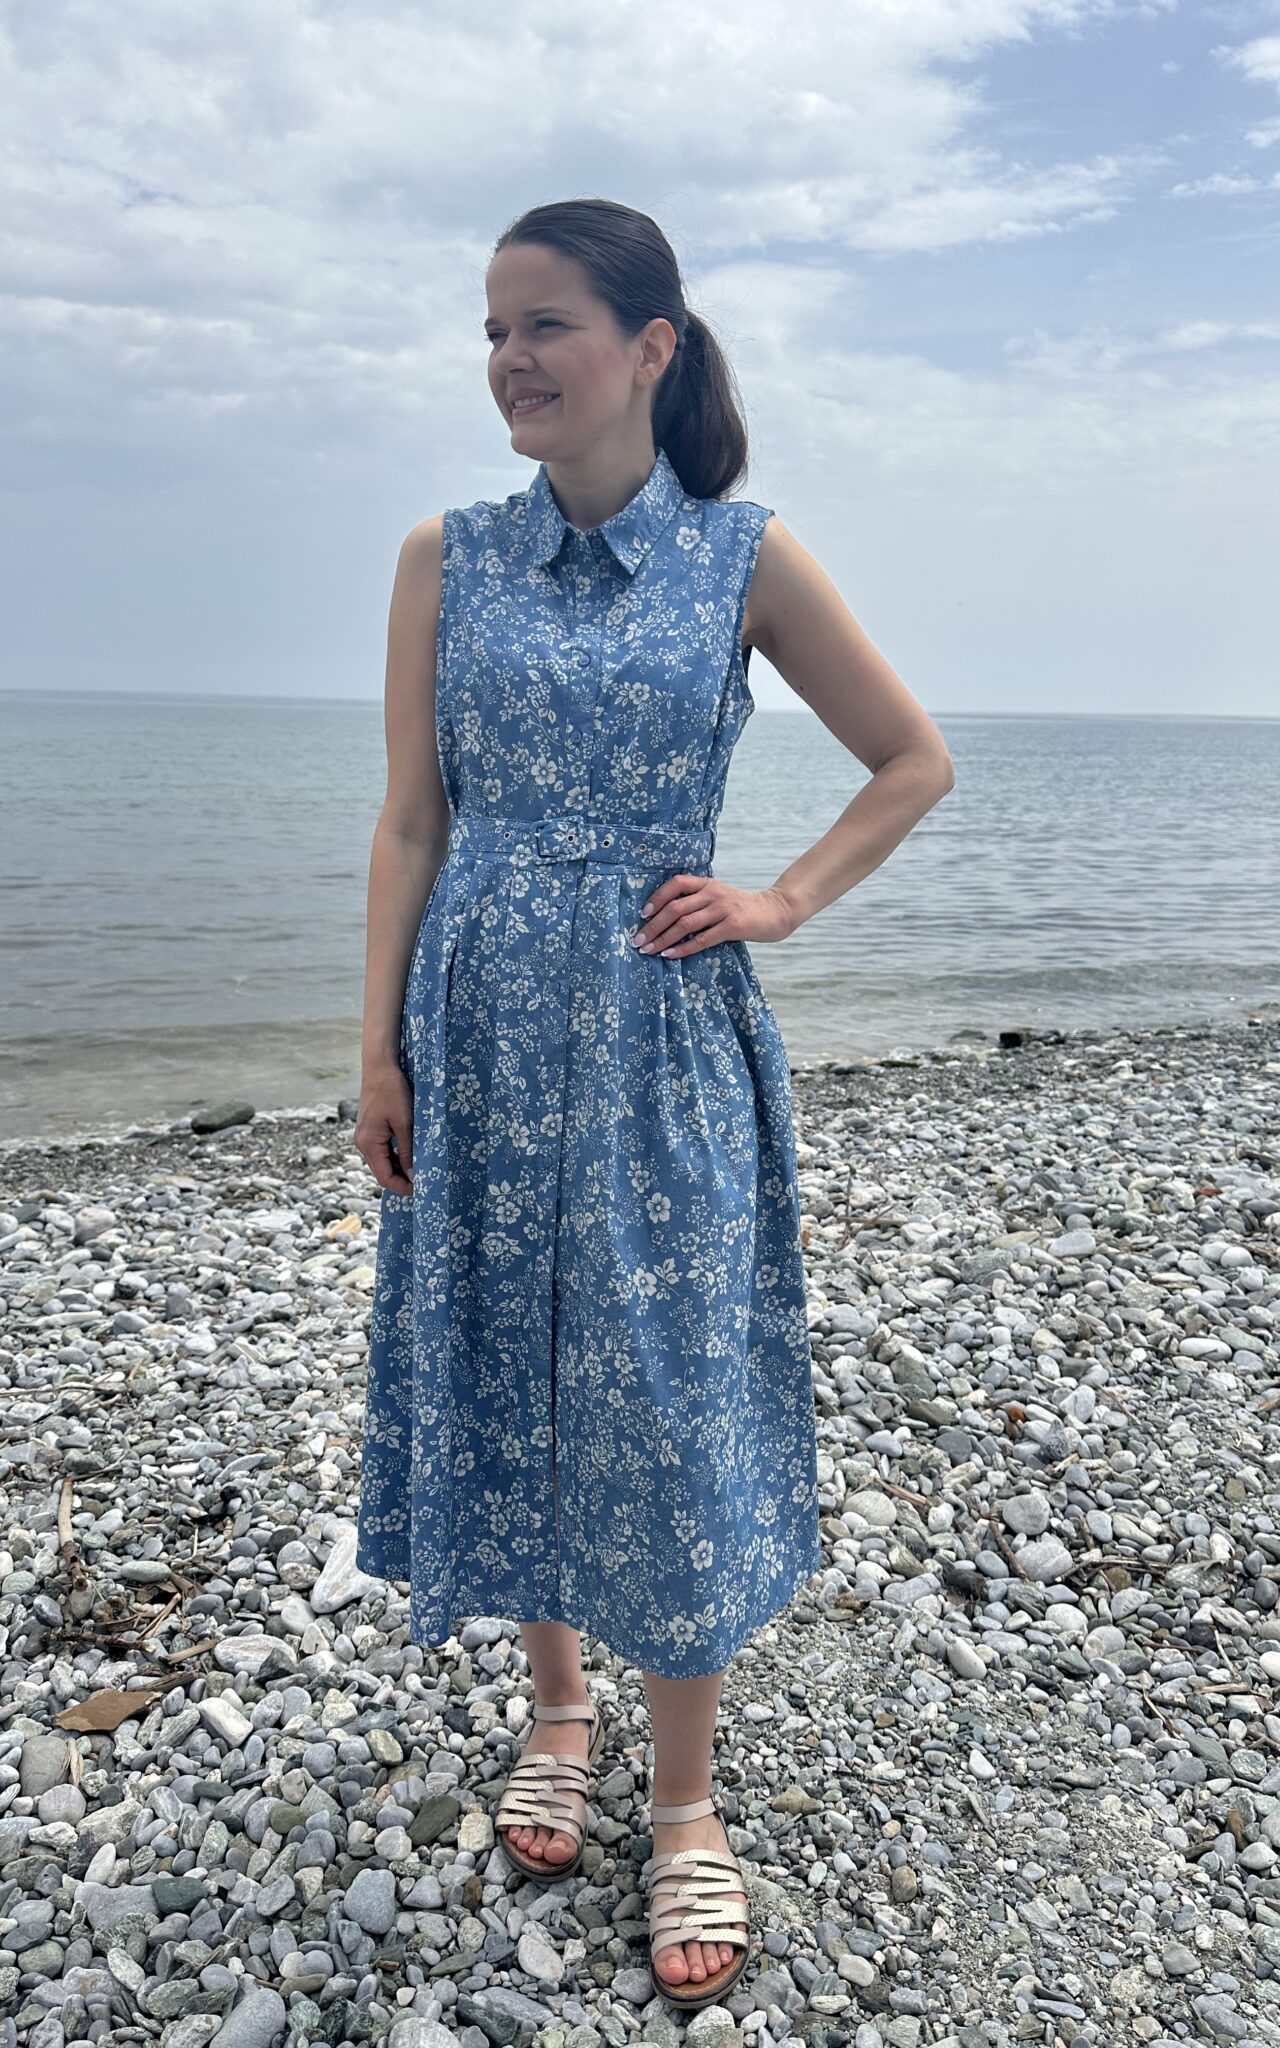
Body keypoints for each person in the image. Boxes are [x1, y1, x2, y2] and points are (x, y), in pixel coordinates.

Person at [353, 197, 955, 2011]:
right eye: (493, 330)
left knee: (667, 1382)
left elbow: (911, 759)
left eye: (544, 324)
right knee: (512, 1353)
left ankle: (683, 1798)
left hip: (657, 1034)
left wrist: (778, 900)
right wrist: (375, 1048)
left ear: (650, 346)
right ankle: (559, 1712)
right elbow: (412, 821)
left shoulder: (741, 555)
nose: (509, 361)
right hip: (474, 1026)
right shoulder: (446, 556)